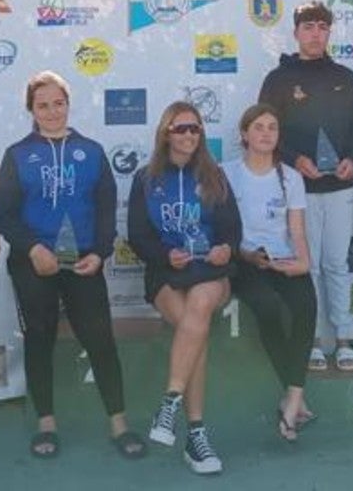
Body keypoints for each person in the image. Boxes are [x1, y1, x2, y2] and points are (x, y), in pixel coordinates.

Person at [0, 71, 146, 461]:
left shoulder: (92, 151)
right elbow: (5, 215)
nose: (51, 111)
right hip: (34, 264)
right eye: (42, 105)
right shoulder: (17, 154)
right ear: (31, 109)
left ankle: (119, 423)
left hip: (84, 264)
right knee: (40, 337)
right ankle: (46, 423)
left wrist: (99, 252)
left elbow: (106, 209)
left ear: (68, 105)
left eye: (58, 103)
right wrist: (32, 249)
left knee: (99, 338)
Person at [127, 101, 241, 475]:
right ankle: (196, 434)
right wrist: (164, 255)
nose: (189, 134)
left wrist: (225, 248)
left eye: (195, 128)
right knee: (197, 329)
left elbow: (231, 231)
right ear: (166, 133)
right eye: (181, 128)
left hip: (209, 272)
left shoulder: (214, 175)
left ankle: (170, 401)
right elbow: (138, 235)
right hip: (167, 273)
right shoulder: (145, 178)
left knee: (201, 303)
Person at [258, 0, 353, 372]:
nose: (315, 33)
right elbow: (266, 130)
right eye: (308, 27)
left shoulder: (346, 76)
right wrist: (294, 160)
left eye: (322, 27)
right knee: (309, 266)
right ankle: (314, 341)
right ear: (296, 32)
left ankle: (344, 339)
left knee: (336, 263)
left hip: (339, 186)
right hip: (296, 187)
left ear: (329, 32)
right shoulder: (278, 79)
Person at [222, 104, 317, 442]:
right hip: (245, 262)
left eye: (272, 127)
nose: (265, 133)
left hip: (282, 259)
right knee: (267, 307)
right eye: (258, 127)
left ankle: (292, 396)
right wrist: (248, 255)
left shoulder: (290, 176)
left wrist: (303, 263)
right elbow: (221, 231)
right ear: (244, 135)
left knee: (307, 305)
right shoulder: (226, 173)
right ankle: (295, 399)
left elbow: (297, 230)